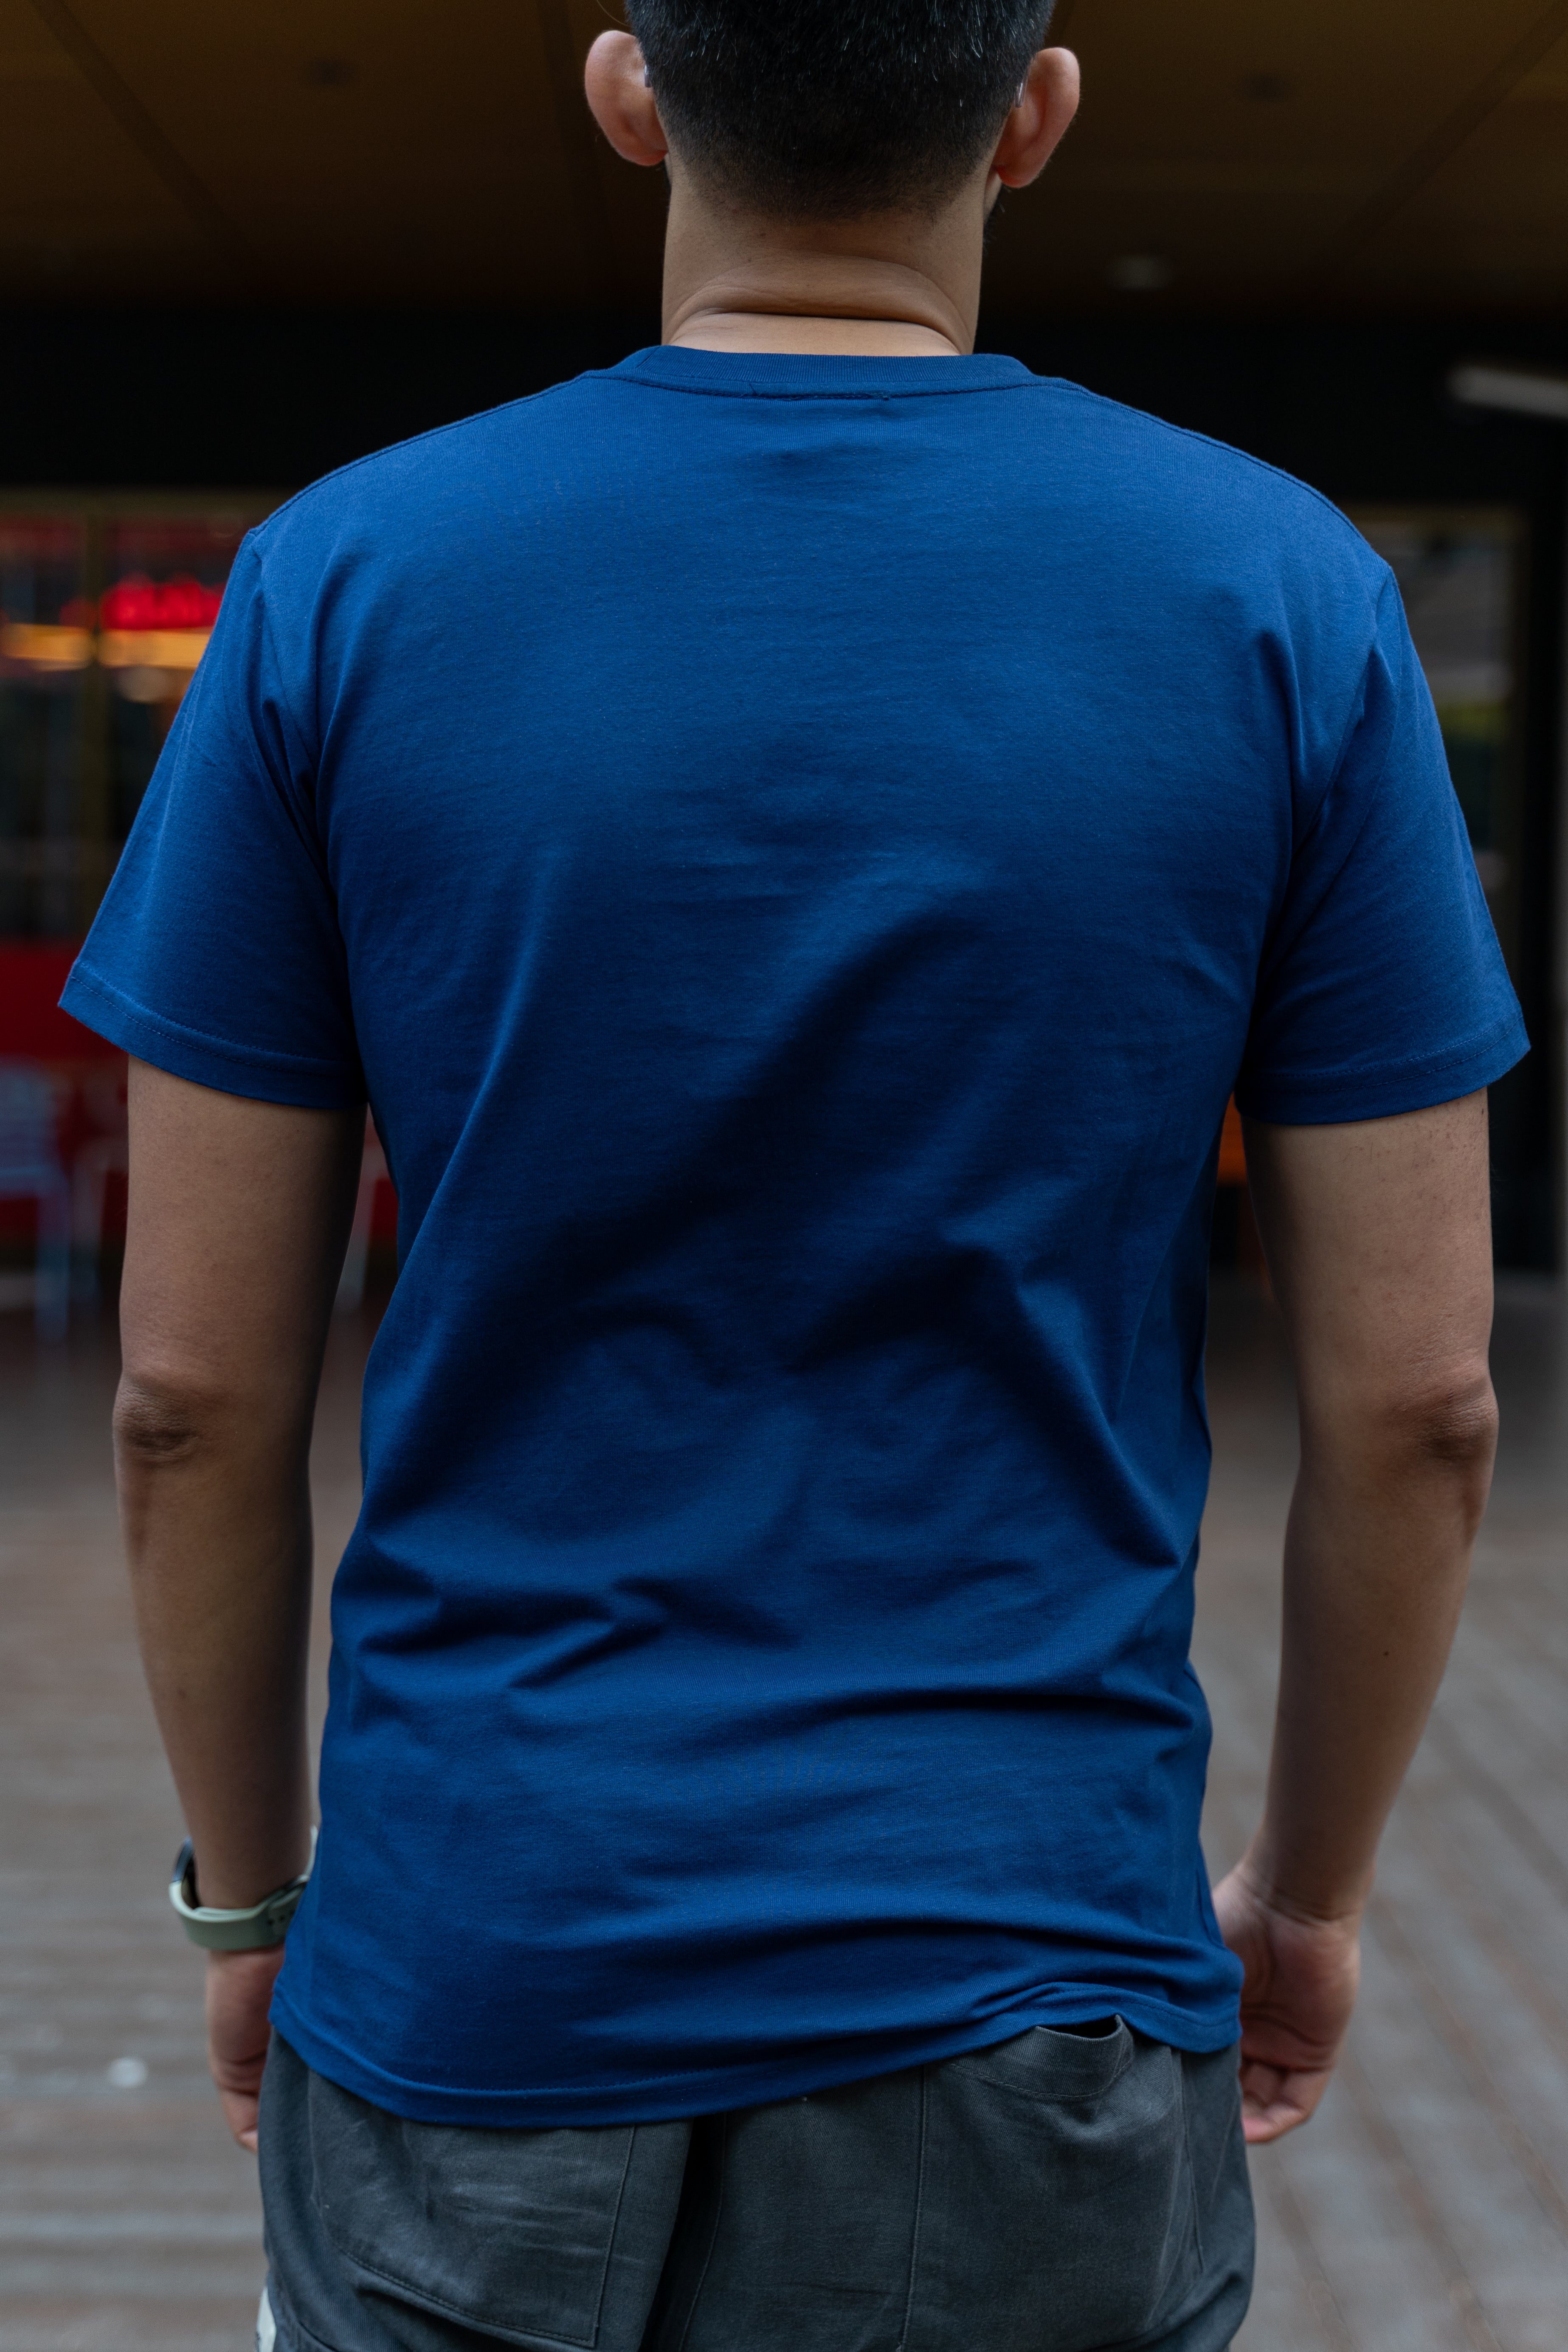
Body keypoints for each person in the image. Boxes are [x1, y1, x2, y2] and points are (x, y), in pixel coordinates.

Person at [66, 4, 1523, 2347]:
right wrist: (1312, 1898)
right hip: (1029, 1982)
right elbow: (1418, 1400)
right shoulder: (1287, 599)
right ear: (1034, 118)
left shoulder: (341, 584)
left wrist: (254, 1908)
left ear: (627, 91)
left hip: (477, 1971)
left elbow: (190, 1402)